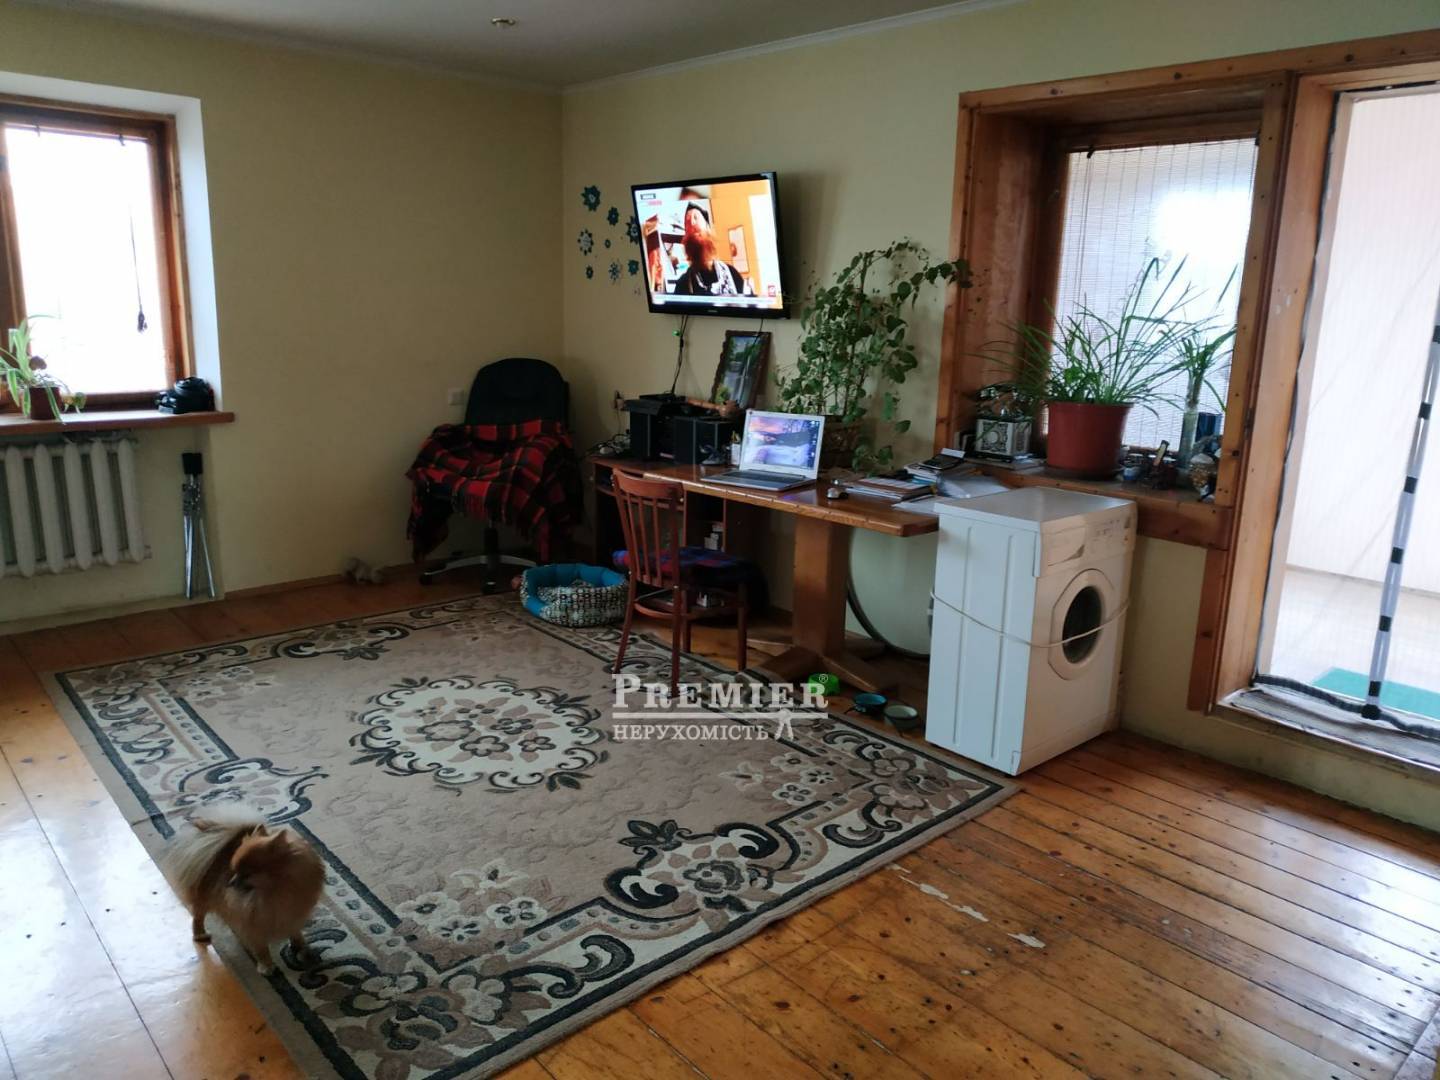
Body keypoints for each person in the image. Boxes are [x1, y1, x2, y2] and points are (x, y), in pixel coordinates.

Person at [673, 204, 753, 297]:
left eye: (695, 217)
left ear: (708, 228)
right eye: (687, 221)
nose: (692, 223)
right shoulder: (682, 285)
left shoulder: (732, 274)